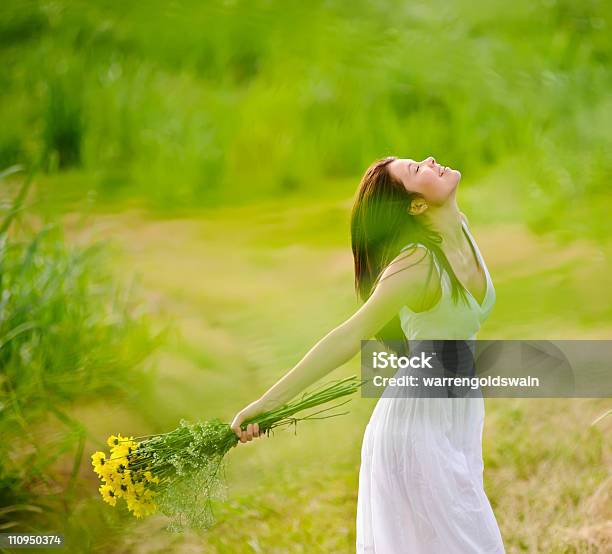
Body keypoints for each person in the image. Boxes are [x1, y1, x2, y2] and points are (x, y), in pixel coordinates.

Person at [230, 155, 505, 553]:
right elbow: (348, 336)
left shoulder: (461, 229)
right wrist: (267, 402)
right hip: (415, 429)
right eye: (416, 170)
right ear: (416, 205)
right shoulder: (417, 263)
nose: (430, 160)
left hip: (456, 414)